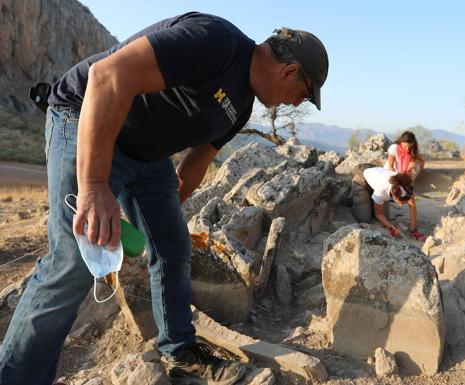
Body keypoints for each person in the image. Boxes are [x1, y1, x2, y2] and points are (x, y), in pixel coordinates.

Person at [0, 12, 328, 385]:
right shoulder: (214, 40)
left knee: (172, 246)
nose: (293, 104)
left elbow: (194, 165)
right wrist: (94, 187)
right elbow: (106, 77)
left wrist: (162, 216)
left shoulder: (241, 107)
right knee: (73, 261)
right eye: (301, 96)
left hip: (146, 157)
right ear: (290, 72)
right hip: (83, 115)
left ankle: (179, 350)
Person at [351, 165, 425, 240]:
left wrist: (414, 230)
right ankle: (352, 197)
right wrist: (391, 227)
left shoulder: (407, 187)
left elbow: (412, 207)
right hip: (362, 180)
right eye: (400, 202)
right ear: (394, 195)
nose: (400, 205)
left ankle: (372, 199)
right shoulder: (382, 190)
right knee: (364, 219)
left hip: (376, 178)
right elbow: (378, 214)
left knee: (386, 218)